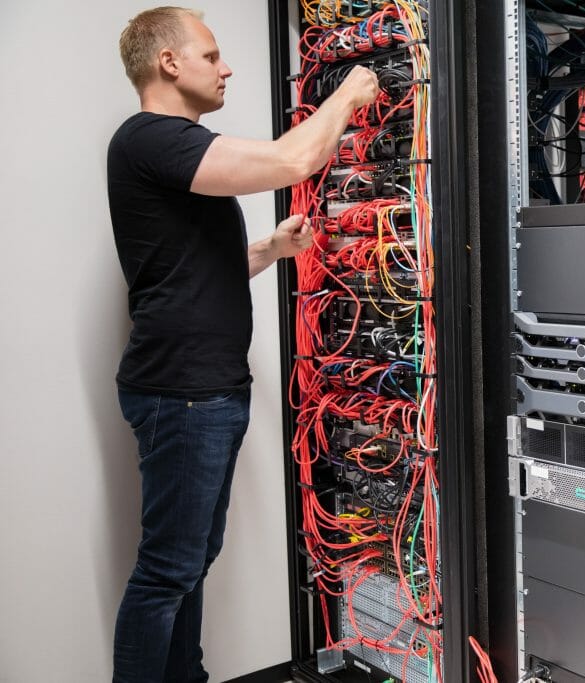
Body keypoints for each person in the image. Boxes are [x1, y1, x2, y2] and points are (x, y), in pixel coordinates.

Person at [108, 7, 379, 682]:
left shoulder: (170, 153)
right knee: (168, 570)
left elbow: (180, 267)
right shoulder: (150, 139)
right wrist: (348, 92)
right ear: (169, 62)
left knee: (190, 559)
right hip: (185, 392)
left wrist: (269, 249)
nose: (225, 67)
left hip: (204, 389)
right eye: (211, 55)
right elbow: (295, 159)